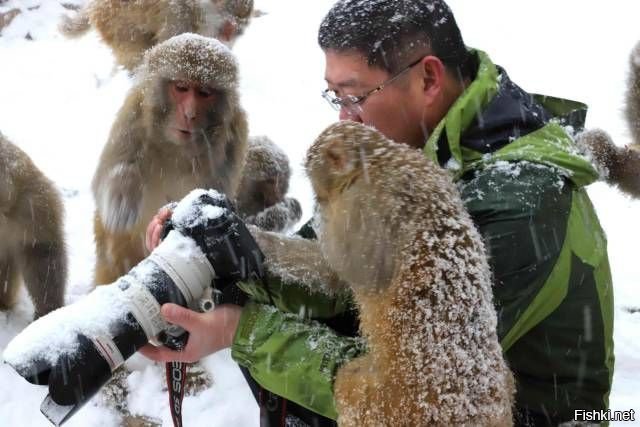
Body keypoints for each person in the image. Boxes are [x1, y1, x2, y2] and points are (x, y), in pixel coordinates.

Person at [141, 1, 614, 425]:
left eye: (355, 95)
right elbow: (332, 266)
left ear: (428, 78)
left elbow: (414, 398)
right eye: (334, 97)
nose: (344, 118)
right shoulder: (400, 149)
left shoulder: (518, 205)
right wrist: (231, 246)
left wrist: (240, 331)